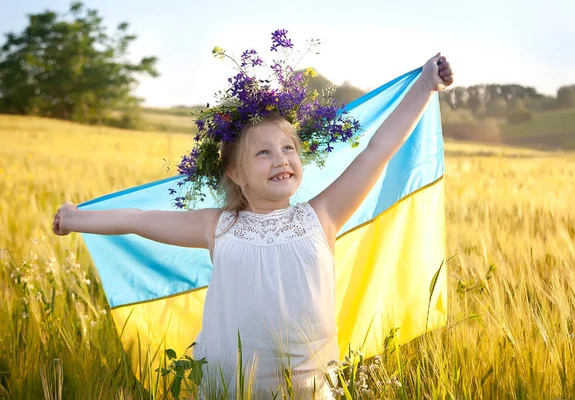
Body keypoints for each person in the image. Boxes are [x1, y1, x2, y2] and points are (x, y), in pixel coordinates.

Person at [53, 31, 453, 399]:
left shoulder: (322, 215)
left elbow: (378, 149)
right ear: (236, 173)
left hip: (308, 390)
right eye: (263, 152)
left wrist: (424, 84)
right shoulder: (218, 226)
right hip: (229, 389)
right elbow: (139, 220)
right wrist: (73, 219)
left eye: (288, 148)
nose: (281, 160)